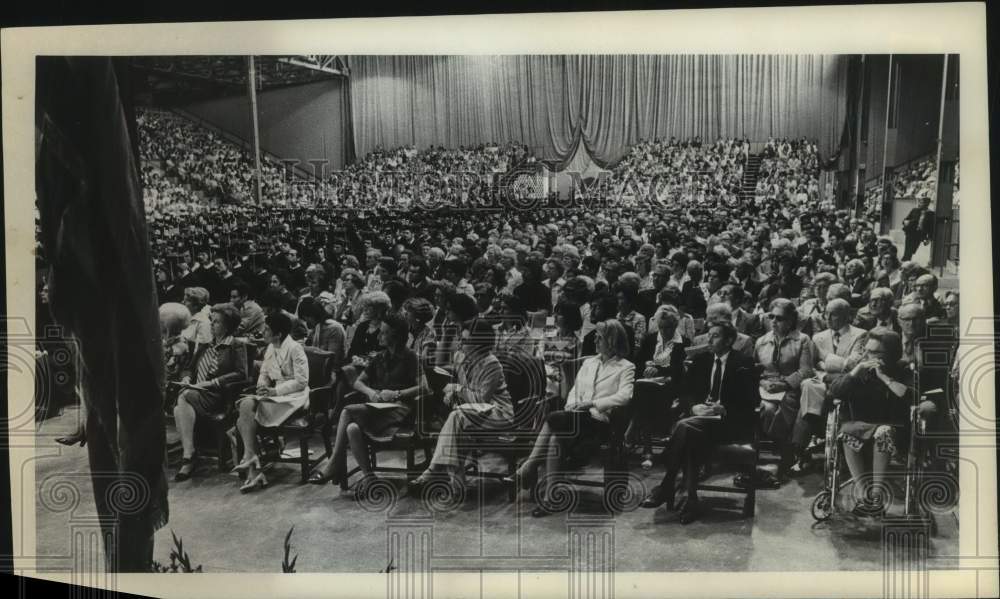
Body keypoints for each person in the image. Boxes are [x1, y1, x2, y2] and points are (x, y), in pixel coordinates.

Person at [510, 320, 635, 518]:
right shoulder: (589, 362)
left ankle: (528, 466)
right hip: (575, 417)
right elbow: (574, 391)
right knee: (555, 438)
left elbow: (625, 396)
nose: (595, 339)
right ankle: (551, 499)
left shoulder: (625, 367)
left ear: (611, 341)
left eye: (599, 337)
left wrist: (593, 404)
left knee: (552, 418)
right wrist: (572, 406)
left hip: (600, 421)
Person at [640, 321, 757, 523]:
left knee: (684, 427)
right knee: (690, 433)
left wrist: (725, 408)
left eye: (715, 336)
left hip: (729, 424)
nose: (709, 339)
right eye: (708, 335)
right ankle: (691, 500)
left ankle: (667, 485)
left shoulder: (743, 362)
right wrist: (694, 407)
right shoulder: (702, 360)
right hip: (701, 420)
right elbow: (685, 392)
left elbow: (753, 401)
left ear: (729, 340)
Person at [308, 314, 424, 491]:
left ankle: (333, 464)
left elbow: (425, 387)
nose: (378, 336)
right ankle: (370, 478)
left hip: (401, 409)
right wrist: (371, 393)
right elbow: (357, 382)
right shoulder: (380, 357)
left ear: (395, 336)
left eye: (383, 333)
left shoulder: (410, 357)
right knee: (351, 428)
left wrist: (397, 393)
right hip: (378, 408)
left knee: (347, 411)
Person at [409, 319, 515, 493]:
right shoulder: (459, 357)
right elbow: (461, 388)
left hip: (498, 414)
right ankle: (458, 485)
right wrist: (452, 393)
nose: (460, 343)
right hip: (470, 414)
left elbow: (481, 399)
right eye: (461, 339)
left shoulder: (491, 363)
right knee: (457, 426)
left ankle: (432, 470)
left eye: (466, 341)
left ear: (479, 344)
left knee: (456, 418)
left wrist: (457, 389)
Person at [829, 328, 912, 516]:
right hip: (860, 427)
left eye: (874, 352)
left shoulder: (902, 369)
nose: (868, 355)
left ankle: (876, 494)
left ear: (891, 354)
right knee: (848, 433)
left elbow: (907, 396)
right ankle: (863, 493)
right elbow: (834, 392)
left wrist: (884, 378)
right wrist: (854, 373)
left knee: (883, 432)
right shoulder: (860, 368)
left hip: (893, 428)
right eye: (866, 350)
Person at [232, 311, 310, 493]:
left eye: (267, 330)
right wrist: (261, 387)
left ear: (278, 334)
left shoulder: (295, 348)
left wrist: (275, 390)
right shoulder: (270, 348)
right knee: (245, 406)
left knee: (242, 419)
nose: (263, 333)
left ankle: (252, 464)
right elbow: (264, 373)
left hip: (293, 397)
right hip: (274, 396)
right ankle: (254, 468)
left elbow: (302, 381)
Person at [789, 298, 866, 474]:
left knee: (808, 402)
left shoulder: (861, 335)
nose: (828, 318)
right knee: (808, 384)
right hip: (823, 382)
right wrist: (831, 368)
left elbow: (853, 366)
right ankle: (805, 447)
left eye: (834, 314)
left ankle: (801, 448)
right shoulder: (818, 337)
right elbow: (813, 365)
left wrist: (827, 361)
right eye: (826, 314)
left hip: (848, 386)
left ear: (847, 316)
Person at [172, 304, 248, 482]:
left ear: (228, 325)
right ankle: (189, 454)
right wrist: (186, 379)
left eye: (217, 322)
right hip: (196, 392)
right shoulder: (205, 346)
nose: (212, 325)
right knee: (180, 404)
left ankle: (189, 456)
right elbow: (189, 369)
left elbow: (241, 373)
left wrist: (213, 382)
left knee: (182, 398)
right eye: (211, 321)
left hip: (218, 395)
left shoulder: (236, 346)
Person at [755, 297, 814, 478]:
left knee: (781, 410)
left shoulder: (802, 340)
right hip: (765, 388)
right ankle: (785, 451)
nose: (773, 321)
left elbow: (806, 370)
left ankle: (785, 453)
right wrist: (762, 381)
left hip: (790, 388)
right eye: (771, 317)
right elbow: (754, 369)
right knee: (766, 409)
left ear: (790, 320)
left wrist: (784, 383)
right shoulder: (761, 341)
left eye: (779, 318)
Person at [631, 306, 689, 469]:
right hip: (649, 386)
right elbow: (638, 362)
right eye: (661, 327)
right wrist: (646, 367)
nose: (664, 331)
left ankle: (643, 442)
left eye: (669, 327)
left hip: (673, 386)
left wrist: (660, 370)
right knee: (643, 391)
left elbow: (681, 371)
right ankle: (648, 447)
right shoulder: (650, 339)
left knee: (645, 397)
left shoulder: (683, 342)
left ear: (676, 325)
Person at [299, 296, 346, 367]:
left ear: (311, 315)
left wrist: (310, 350)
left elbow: (332, 358)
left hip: (330, 370)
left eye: (306, 319)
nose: (307, 322)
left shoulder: (334, 328)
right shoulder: (316, 328)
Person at [901, 196, 934, 262]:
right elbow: (905, 219)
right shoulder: (914, 210)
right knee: (908, 249)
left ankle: (906, 259)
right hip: (910, 231)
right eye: (920, 202)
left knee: (913, 249)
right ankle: (905, 261)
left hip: (920, 234)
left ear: (927, 204)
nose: (920, 204)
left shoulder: (930, 214)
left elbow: (931, 227)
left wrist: (929, 238)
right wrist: (905, 222)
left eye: (922, 203)